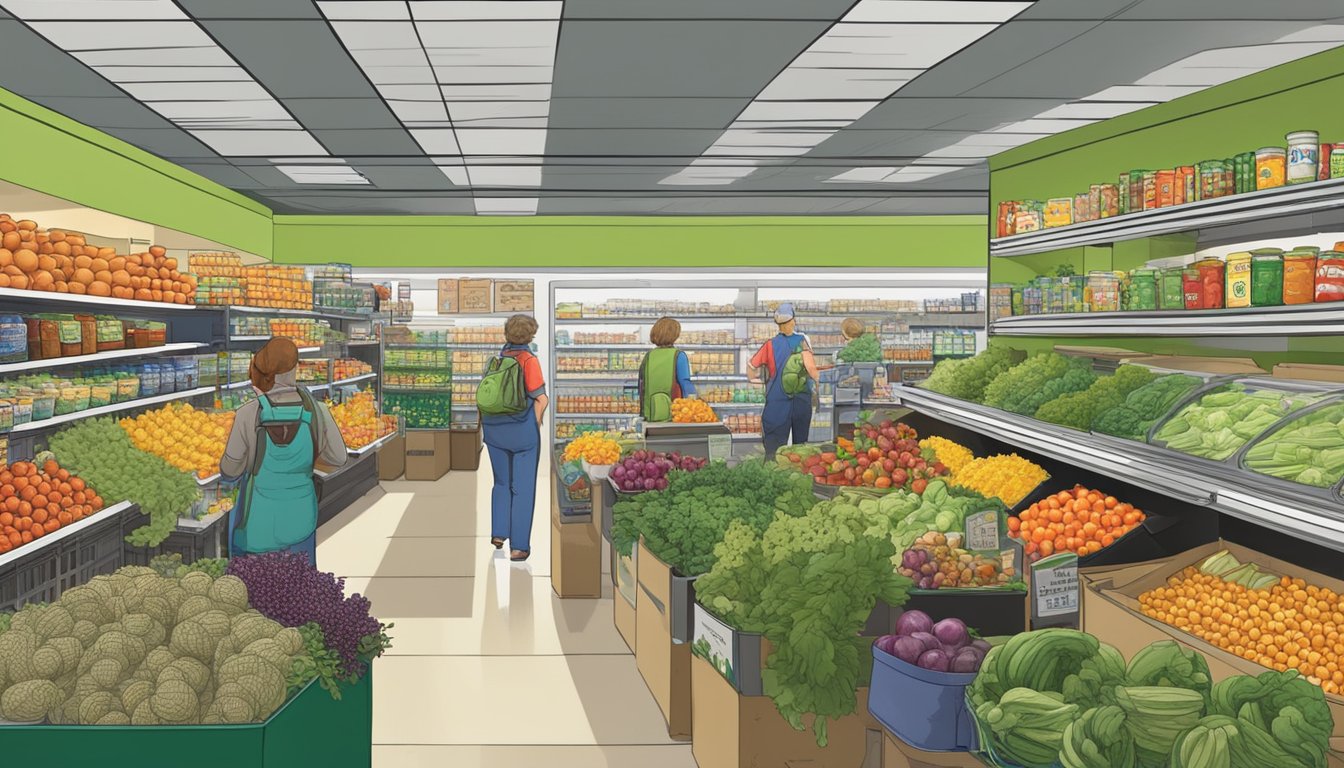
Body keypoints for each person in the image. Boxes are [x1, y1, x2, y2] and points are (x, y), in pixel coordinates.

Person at [220, 337, 348, 566]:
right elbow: (338, 458)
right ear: (295, 367)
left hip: (258, 524)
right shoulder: (317, 411)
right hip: (301, 517)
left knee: (256, 593)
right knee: (297, 590)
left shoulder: (248, 413)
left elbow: (230, 470)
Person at [480, 314, 548, 563]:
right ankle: (519, 546)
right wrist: (536, 422)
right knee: (523, 488)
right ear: (530, 335)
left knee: (501, 483)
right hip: (522, 433)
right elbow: (540, 398)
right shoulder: (529, 361)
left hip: (494, 430)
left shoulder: (496, 362)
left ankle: (499, 534)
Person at [749, 303, 820, 460]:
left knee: (773, 451)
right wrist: (817, 384)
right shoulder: (802, 341)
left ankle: (774, 475)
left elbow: (751, 366)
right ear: (793, 320)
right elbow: (811, 369)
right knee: (800, 450)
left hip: (777, 402)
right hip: (800, 400)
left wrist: (758, 382)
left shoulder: (769, 345)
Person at [638, 316, 697, 422]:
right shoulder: (678, 355)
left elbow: (641, 386)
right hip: (675, 413)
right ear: (674, 335)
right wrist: (696, 404)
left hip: (651, 414)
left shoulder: (648, 356)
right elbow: (685, 384)